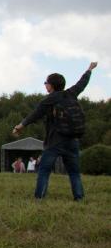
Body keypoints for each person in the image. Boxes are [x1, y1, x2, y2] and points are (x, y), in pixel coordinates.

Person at [12, 62, 97, 201]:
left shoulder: (49, 99)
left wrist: (20, 126)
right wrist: (89, 69)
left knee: (44, 171)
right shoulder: (71, 93)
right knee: (74, 172)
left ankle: (39, 197)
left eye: (46, 82)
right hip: (72, 139)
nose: (45, 84)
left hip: (55, 141)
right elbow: (82, 82)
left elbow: (35, 114)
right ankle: (79, 198)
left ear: (51, 85)